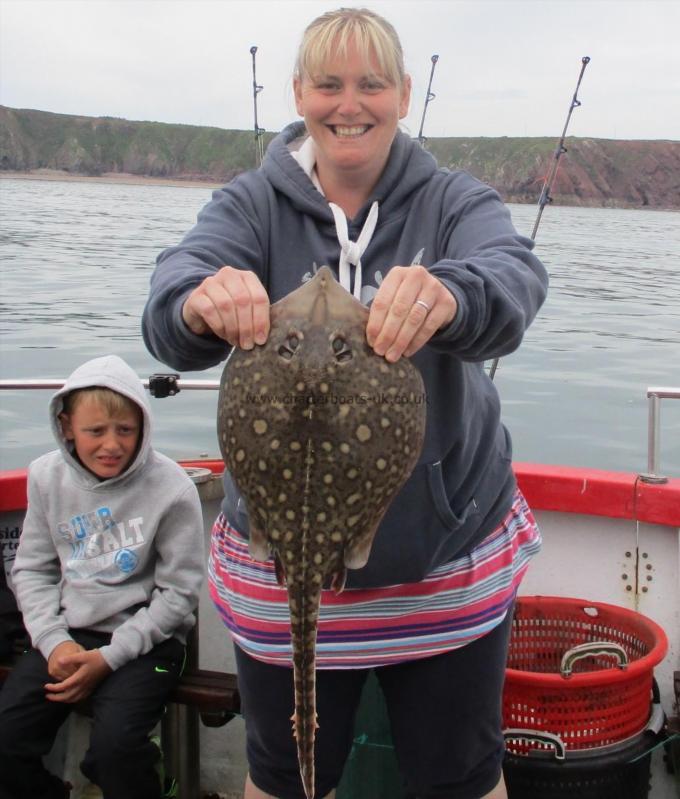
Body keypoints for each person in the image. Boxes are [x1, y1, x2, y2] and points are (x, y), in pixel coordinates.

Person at [142, 8, 549, 799]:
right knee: (284, 780)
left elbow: (514, 274)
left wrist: (453, 294)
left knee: (462, 778)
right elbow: (170, 300)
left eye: (370, 84)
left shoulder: (455, 200)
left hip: (443, 562)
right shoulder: (249, 205)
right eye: (328, 84)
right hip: (280, 558)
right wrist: (199, 300)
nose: (348, 103)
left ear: (404, 93)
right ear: (299, 93)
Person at [0, 355, 204, 799]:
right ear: (67, 425)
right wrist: (55, 642)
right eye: (96, 431)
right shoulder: (45, 477)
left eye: (125, 430)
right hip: (69, 634)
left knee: (115, 752)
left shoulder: (172, 488)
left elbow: (179, 594)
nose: (111, 444)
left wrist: (109, 658)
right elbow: (32, 569)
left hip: (149, 642)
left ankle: (158, 787)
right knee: (6, 740)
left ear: (142, 427)